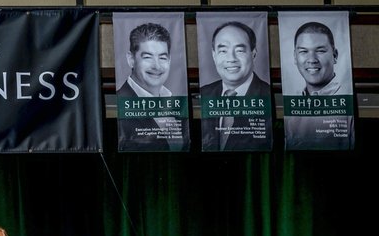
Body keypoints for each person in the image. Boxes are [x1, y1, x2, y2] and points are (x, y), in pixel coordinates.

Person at [199, 21, 272, 151]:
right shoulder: (204, 94)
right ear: (214, 55)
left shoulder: (268, 96)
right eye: (223, 51)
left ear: (253, 54)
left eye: (239, 50)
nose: (231, 58)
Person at [116, 22, 189, 152]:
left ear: (170, 60)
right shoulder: (117, 106)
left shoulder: (177, 103)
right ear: (131, 59)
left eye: (162, 57)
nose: (157, 66)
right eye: (148, 57)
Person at [286, 21, 354, 150]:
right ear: (295, 57)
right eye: (304, 51)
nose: (312, 59)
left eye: (320, 51)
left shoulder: (348, 101)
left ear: (335, 55)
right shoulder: (291, 102)